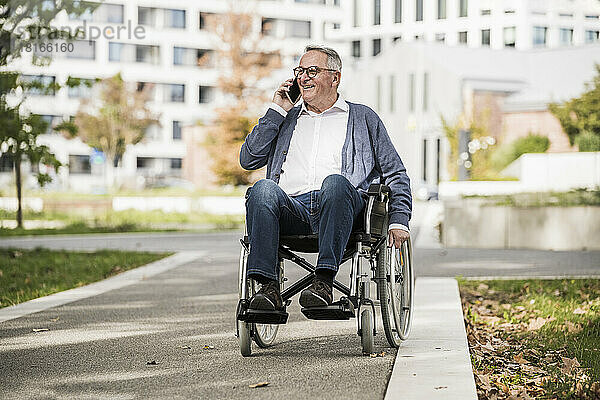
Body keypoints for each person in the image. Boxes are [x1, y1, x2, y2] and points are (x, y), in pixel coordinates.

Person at [239, 45, 412, 312]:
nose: (303, 78)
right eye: (299, 72)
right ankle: (268, 287)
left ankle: (323, 282)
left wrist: (399, 219)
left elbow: (395, 173)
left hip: (341, 208)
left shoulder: (363, 117)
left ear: (335, 77)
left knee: (335, 182)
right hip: (291, 210)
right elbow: (248, 160)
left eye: (312, 71)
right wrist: (277, 110)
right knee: (262, 188)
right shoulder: (285, 119)